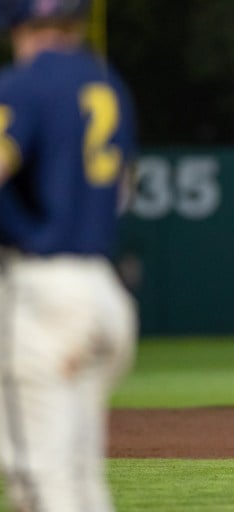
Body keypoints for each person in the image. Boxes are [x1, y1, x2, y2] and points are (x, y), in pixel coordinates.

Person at [0, 1, 138, 510]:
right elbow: (123, 190)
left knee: (41, 485)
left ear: (17, 26)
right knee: (80, 483)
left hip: (42, 296)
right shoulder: (111, 89)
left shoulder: (22, 85)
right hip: (103, 295)